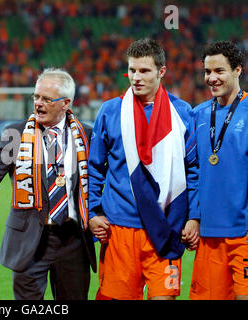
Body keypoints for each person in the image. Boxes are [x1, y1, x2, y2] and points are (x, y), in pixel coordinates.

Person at [0, 68, 96, 300]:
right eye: (36, 97)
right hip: (30, 240)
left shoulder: (88, 135)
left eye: (47, 99)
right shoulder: (16, 135)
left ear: (66, 103)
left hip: (73, 242)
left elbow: (102, 183)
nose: (38, 103)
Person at [88, 38, 199, 300]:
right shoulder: (110, 111)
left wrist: (194, 216)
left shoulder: (182, 113)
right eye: (132, 70)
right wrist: (93, 212)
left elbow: (192, 169)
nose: (136, 77)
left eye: (144, 71)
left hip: (166, 225)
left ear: (161, 71)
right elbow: (94, 169)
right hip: (120, 230)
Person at [189, 40, 247, 300]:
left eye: (219, 71)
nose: (211, 78)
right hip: (209, 236)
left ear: (238, 70)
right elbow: (191, 171)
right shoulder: (198, 114)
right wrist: (193, 216)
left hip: (244, 234)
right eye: (207, 71)